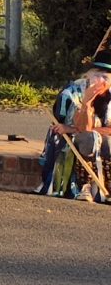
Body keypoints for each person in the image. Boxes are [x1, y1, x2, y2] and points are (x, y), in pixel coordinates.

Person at [39, 31, 111, 201]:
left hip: (90, 135)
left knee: (100, 139)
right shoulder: (71, 93)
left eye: (105, 77)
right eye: (96, 75)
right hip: (69, 140)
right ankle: (82, 186)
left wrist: (75, 129)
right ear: (88, 75)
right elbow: (79, 129)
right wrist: (86, 103)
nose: (100, 81)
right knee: (89, 139)